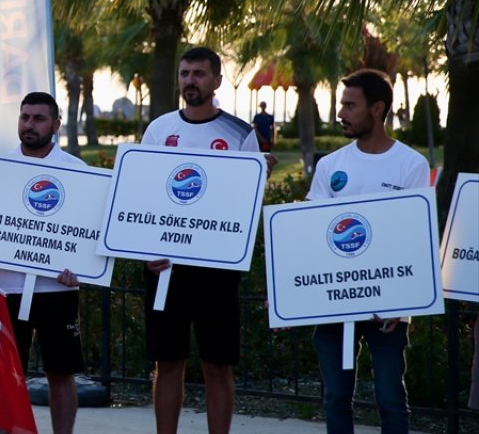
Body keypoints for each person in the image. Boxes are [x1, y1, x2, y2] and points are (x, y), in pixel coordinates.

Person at [139, 46, 273, 434]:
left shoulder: (240, 133)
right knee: (167, 363)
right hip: (165, 268)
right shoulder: (159, 129)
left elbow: (245, 206)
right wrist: (145, 252)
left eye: (199, 74)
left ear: (216, 80)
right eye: (184, 73)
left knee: (217, 365)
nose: (190, 81)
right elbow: (142, 194)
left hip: (216, 269)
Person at [306, 69, 429, 434]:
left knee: (391, 401)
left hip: (388, 311)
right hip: (334, 304)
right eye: (341, 105)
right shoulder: (330, 166)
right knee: (335, 398)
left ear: (377, 109)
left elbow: (413, 239)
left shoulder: (411, 165)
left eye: (349, 105)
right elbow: (312, 233)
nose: (340, 113)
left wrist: (400, 305)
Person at [0, 91, 87, 434]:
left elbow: (87, 233)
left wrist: (81, 268)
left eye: (39, 118)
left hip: (56, 290)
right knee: (5, 375)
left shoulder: (78, 172)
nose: (30, 124)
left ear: (56, 125)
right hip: (5, 288)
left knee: (60, 374)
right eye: (25, 117)